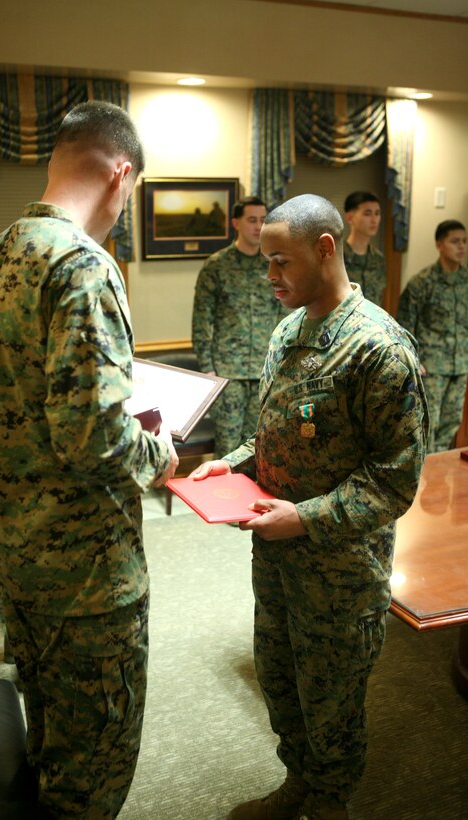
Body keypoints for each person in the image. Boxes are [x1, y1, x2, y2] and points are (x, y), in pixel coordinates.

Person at [0, 100, 178, 819]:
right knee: (92, 771)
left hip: (15, 561)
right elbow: (94, 438)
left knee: (47, 745)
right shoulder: (84, 266)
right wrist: (161, 453)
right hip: (86, 580)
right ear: (121, 174)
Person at [191, 194, 428, 820]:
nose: (269, 275)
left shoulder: (378, 348)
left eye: (280, 262)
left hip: (339, 572)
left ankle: (330, 802)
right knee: (281, 681)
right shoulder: (289, 326)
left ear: (326, 249)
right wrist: (233, 463)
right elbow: (274, 431)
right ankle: (298, 782)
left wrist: (305, 518)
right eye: (265, 261)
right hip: (275, 557)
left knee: (332, 701)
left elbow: (395, 480)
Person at [192, 196, 285, 456]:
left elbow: (283, 314)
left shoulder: (273, 264)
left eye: (264, 220)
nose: (258, 226)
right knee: (228, 446)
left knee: (258, 445)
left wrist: (281, 361)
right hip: (227, 372)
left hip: (264, 370)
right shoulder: (216, 266)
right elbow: (201, 320)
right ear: (236, 223)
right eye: (252, 220)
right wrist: (207, 368)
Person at [396, 219, 467, 452]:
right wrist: (414, 359)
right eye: (454, 241)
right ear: (440, 244)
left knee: (451, 425)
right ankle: (425, 478)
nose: (461, 247)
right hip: (431, 368)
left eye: (464, 241)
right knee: (429, 425)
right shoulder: (422, 282)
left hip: (460, 366)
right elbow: (404, 324)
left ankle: (441, 480)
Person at [343, 191, 386, 306]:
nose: (374, 220)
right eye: (367, 214)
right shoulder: (337, 256)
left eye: (377, 213)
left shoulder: (378, 259)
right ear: (349, 218)